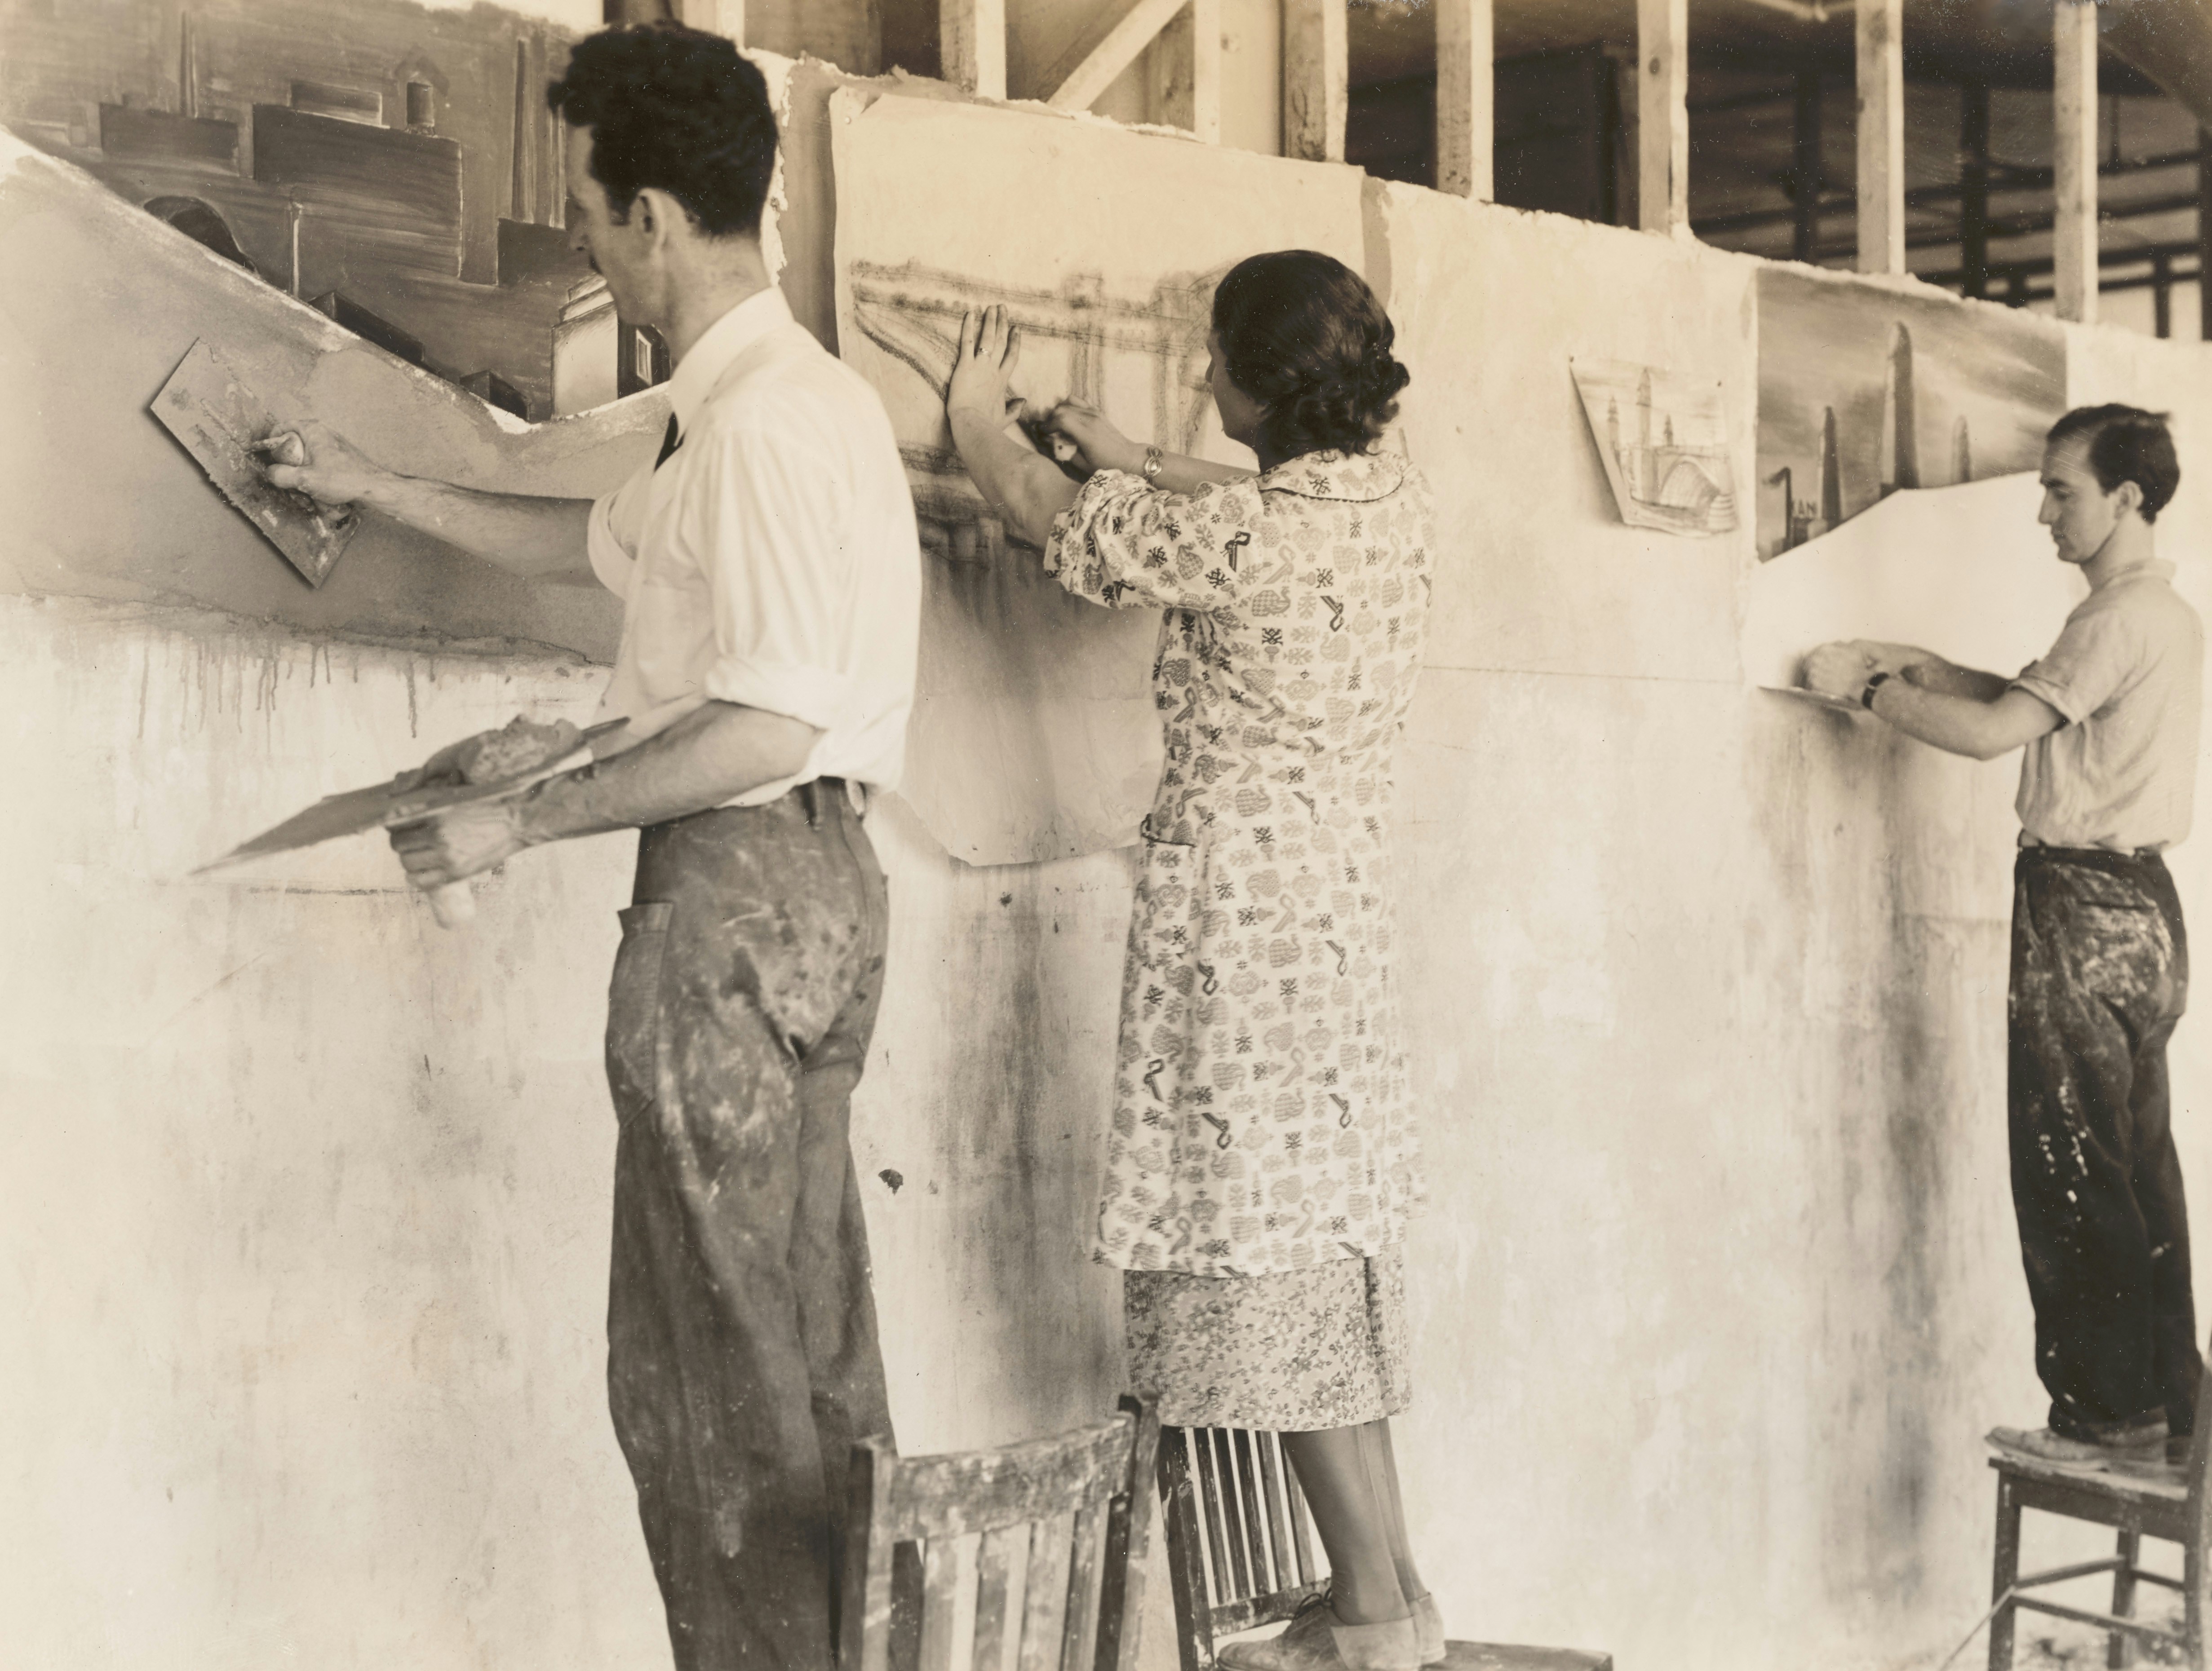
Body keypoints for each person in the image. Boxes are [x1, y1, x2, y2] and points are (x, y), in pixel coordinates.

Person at [261, 24, 921, 1668]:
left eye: (587, 212)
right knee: (804, 1361)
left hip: (739, 902)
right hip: (824, 897)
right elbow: (587, 554)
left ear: (649, 218)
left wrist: (515, 818)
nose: (582, 244)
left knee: (709, 1386)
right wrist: (369, 478)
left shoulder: (758, 430)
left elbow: (762, 724)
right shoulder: (783, 407)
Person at [943, 251, 1441, 1671]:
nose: (1200, 378)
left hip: (1241, 931)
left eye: (1213, 359)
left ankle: (1368, 1624)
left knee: (1263, 1273)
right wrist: (1141, 454)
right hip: (1332, 924)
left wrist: (981, 419)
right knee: (1322, 1265)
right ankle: (1393, 1591)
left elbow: (1057, 527)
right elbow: (1250, 504)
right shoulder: (1379, 498)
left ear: (1262, 382)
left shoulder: (1248, 543)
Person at [1803, 405, 2201, 1470]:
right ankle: (2169, 1406)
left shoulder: (2114, 619)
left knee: (2067, 1163)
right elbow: (2028, 704)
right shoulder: (2148, 617)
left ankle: (2100, 1420)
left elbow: (1988, 739)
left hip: (2082, 908)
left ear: (2125, 497)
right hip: (2143, 913)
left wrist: (1873, 691)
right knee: (2132, 1167)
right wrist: (1922, 663)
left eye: (2060, 490)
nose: (2041, 513)